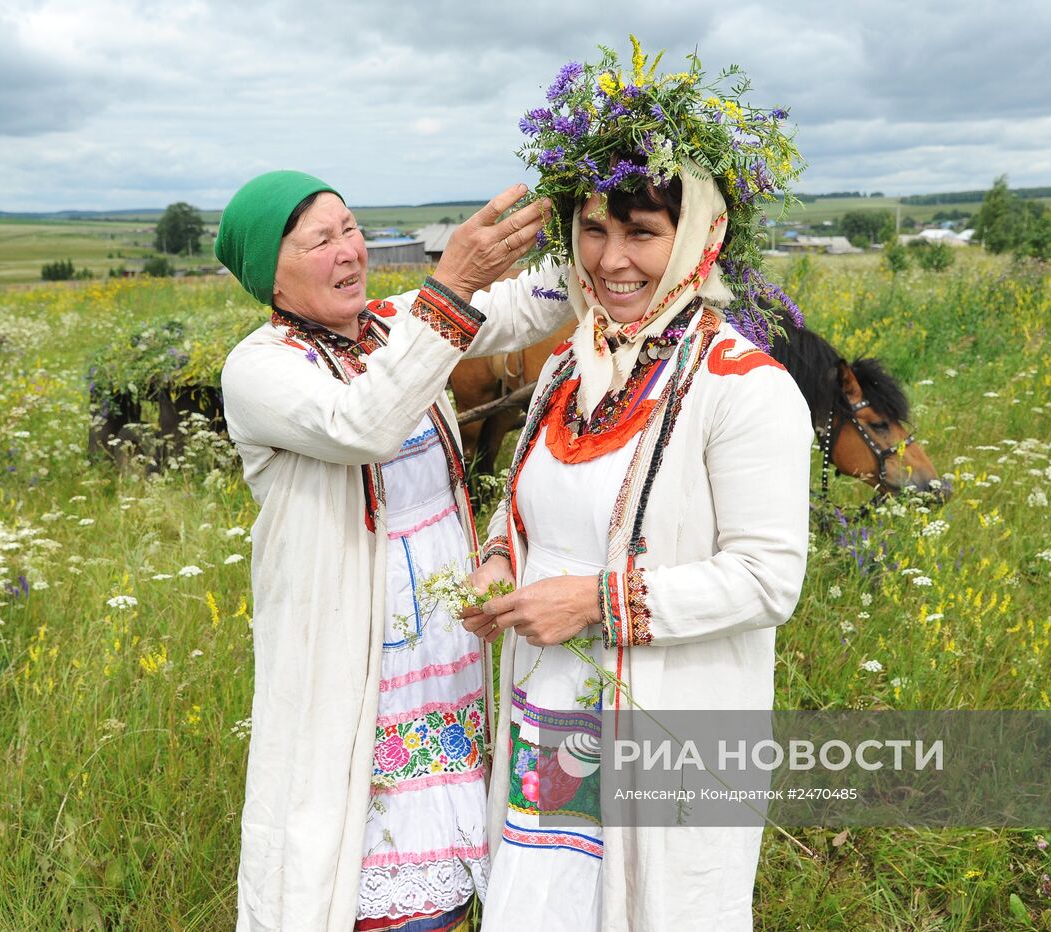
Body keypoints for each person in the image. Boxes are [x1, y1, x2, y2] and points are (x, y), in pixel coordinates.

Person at [461, 44, 812, 931]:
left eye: (643, 233)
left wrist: (594, 602)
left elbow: (770, 578)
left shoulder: (745, 385)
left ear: (703, 238)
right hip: (552, 715)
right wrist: (498, 558)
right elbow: (520, 500)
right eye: (593, 229)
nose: (612, 259)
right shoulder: (567, 371)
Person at [216, 169, 568, 932]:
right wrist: (452, 284)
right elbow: (365, 423)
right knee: (363, 863)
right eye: (320, 241)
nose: (349, 251)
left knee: (457, 860)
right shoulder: (260, 369)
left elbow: (518, 307)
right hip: (358, 652)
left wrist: (597, 232)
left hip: (446, 638)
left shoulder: (391, 323)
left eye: (350, 229)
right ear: (270, 278)